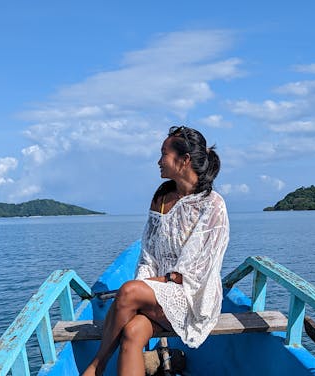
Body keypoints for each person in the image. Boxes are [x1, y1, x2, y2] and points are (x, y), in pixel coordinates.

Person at [82, 126, 229, 376]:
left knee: (128, 291)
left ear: (184, 160)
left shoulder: (212, 205)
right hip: (156, 293)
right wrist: (146, 284)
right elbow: (148, 253)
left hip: (192, 299)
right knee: (131, 333)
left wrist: (147, 286)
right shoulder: (161, 197)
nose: (158, 161)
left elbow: (195, 272)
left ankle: (97, 366)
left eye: (164, 154)